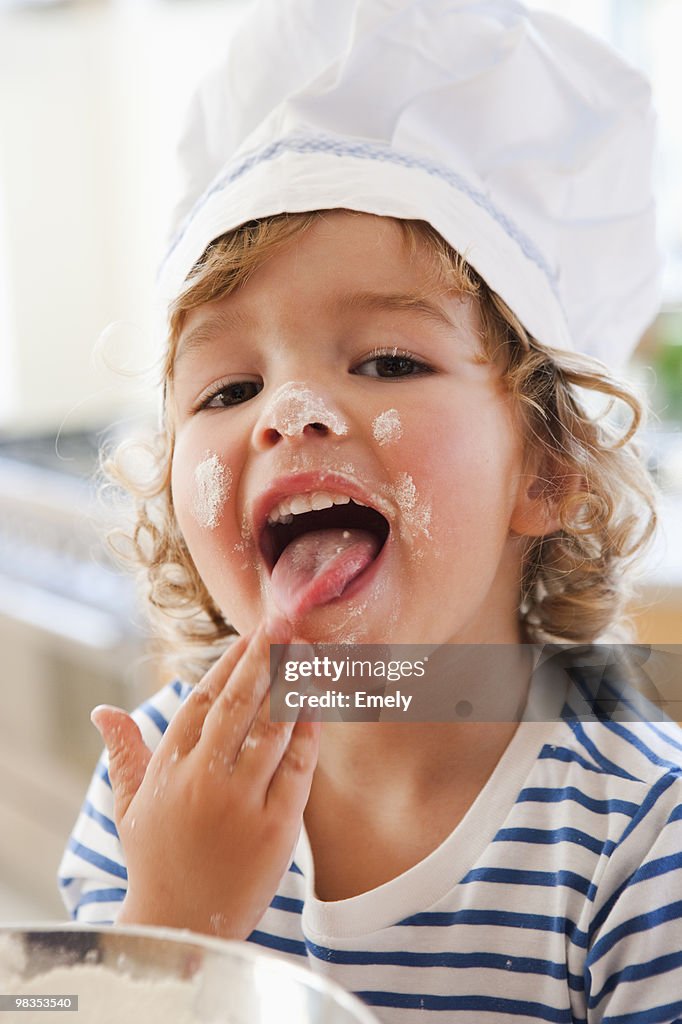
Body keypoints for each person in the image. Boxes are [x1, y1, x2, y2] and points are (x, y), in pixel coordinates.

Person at [59, 0, 682, 1020]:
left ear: (547, 469)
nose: (291, 414)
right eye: (228, 389)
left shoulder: (640, 845)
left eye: (389, 360)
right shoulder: (152, 789)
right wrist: (173, 927)